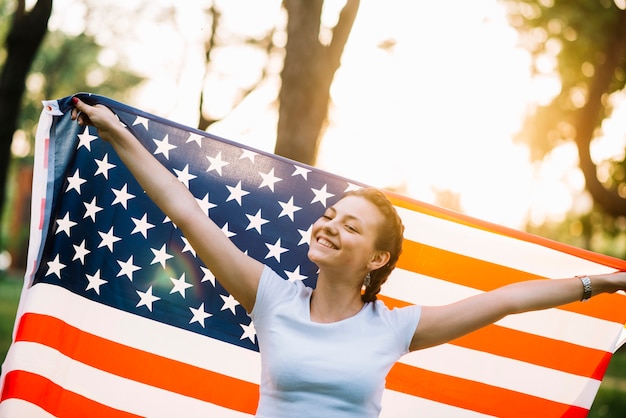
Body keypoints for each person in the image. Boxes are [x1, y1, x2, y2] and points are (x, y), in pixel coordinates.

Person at [71, 97, 626, 417]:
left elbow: (506, 301)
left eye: (350, 226)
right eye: (331, 215)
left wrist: (602, 283)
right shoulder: (271, 298)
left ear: (378, 257)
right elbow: (187, 213)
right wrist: (116, 131)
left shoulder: (394, 327)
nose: (329, 225)